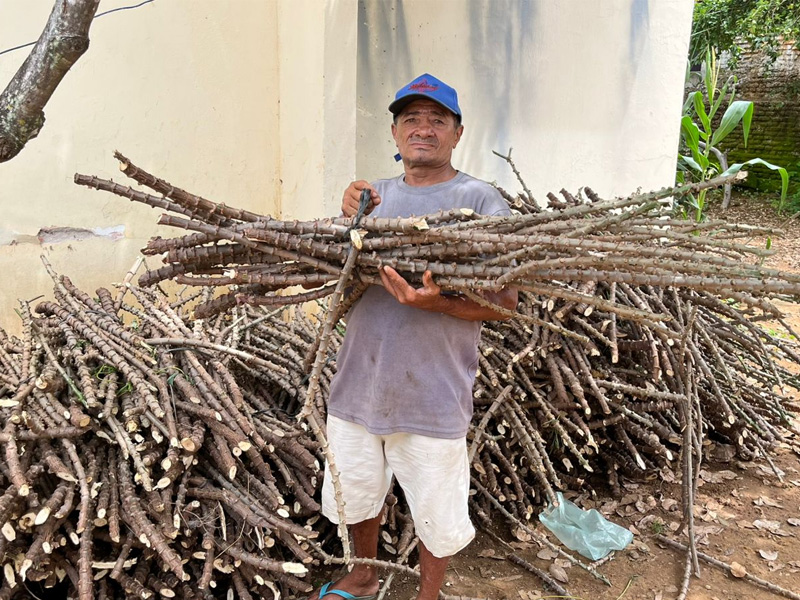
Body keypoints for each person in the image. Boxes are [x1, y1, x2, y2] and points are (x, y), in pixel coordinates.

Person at [310, 73, 518, 600]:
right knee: (356, 490)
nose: (423, 128)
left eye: (436, 120)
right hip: (360, 378)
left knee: (435, 502)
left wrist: (438, 303)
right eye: (411, 119)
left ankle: (429, 594)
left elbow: (507, 305)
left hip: (433, 388)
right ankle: (362, 574)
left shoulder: (483, 201)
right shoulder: (371, 199)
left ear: (457, 132)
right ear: (396, 133)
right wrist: (348, 211)